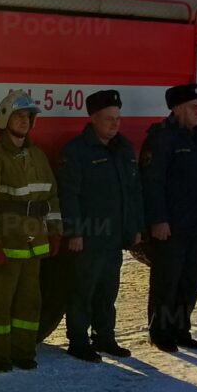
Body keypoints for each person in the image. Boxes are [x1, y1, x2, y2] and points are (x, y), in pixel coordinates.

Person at [0, 90, 62, 372]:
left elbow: (51, 197)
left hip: (33, 243)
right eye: (19, 115)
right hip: (6, 245)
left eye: (28, 117)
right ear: (5, 118)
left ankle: (23, 351)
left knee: (29, 302)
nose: (24, 121)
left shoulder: (38, 157)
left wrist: (55, 230)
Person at [59, 89, 145, 362]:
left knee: (108, 291)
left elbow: (133, 193)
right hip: (89, 238)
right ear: (93, 119)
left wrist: (134, 229)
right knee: (82, 290)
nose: (115, 124)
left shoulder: (124, 149)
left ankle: (105, 337)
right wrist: (74, 231)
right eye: (109, 119)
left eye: (117, 118)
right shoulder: (76, 151)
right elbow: (69, 194)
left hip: (113, 237)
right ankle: (78, 341)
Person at [140, 83, 197, 352]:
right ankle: (161, 333)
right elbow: (151, 182)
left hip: (196, 227)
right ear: (178, 109)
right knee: (167, 282)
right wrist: (158, 220)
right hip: (171, 228)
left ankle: (181, 329)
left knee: (190, 282)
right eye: (193, 106)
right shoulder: (162, 138)